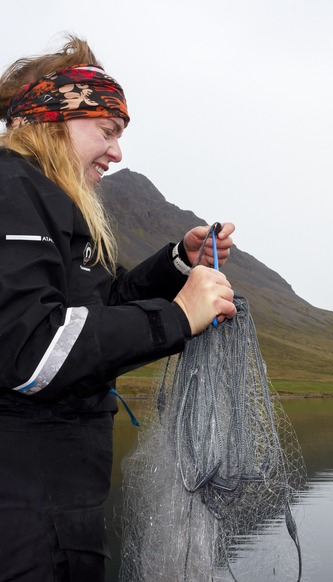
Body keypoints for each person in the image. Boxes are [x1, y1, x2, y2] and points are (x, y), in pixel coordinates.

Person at [0, 36, 237, 581]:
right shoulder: (11, 190)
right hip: (22, 519)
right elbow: (32, 352)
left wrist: (177, 263)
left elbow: (96, 309)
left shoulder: (44, 195)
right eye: (107, 131)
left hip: (59, 508)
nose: (117, 152)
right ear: (54, 119)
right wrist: (177, 317)